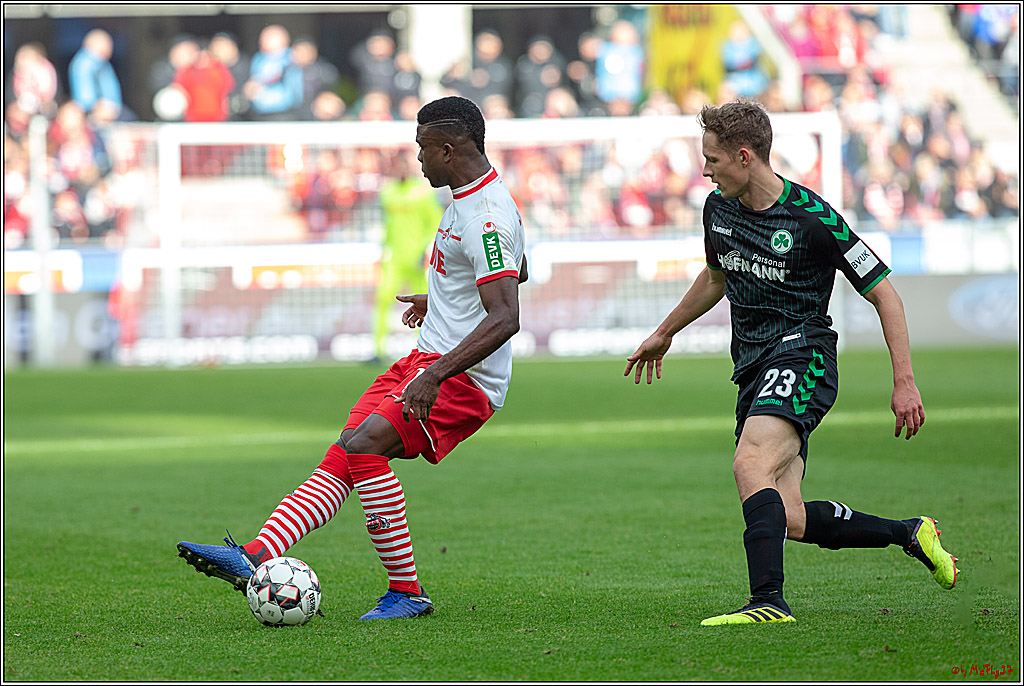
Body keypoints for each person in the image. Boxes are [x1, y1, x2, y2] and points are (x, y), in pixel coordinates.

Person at [177, 96, 529, 620]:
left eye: (423, 148)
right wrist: (442, 299)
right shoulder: (469, 200)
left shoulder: (487, 215)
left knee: (366, 448)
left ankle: (407, 593)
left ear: (448, 150)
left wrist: (436, 373)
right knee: (346, 450)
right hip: (426, 359)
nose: (417, 159)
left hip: (463, 379)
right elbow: (516, 271)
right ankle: (253, 555)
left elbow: (506, 316)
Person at [624, 101, 958, 626]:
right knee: (790, 515)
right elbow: (715, 278)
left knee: (750, 463)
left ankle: (768, 602)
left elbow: (885, 294)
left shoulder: (813, 219)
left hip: (805, 355)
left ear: (744, 156)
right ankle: (910, 533)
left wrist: (905, 382)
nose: (705, 170)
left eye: (712, 159)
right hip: (753, 369)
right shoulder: (718, 210)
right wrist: (665, 332)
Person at [373, 150, 444, 360]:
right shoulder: (387, 193)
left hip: (417, 259)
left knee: (423, 305)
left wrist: (426, 249)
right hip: (394, 259)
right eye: (399, 165)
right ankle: (378, 350)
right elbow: (386, 225)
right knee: (382, 300)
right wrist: (384, 249)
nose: (401, 169)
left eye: (405, 164)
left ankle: (425, 350)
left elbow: (435, 223)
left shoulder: (423, 193)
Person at [68, 29, 123, 119]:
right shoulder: (85, 63)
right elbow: (85, 99)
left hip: (108, 112)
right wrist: (98, 109)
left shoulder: (104, 64)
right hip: (94, 116)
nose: (110, 50)